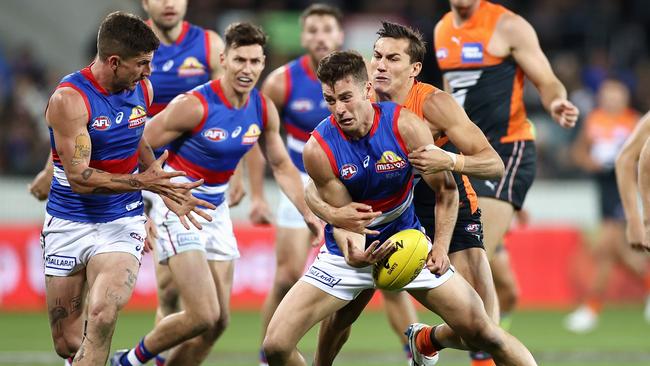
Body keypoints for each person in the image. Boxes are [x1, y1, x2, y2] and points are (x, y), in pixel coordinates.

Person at [262, 50, 537, 366]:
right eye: (330, 100)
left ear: (367, 90)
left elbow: (446, 191)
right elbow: (345, 215)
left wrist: (441, 248)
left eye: (346, 97)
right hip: (347, 254)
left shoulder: (404, 125)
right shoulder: (318, 148)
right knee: (276, 346)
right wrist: (352, 248)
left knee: (484, 332)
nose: (339, 109)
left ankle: (425, 341)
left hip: (408, 244)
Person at [110, 22, 323, 366]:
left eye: (255, 61)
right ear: (224, 58)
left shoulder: (262, 108)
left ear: (263, 62)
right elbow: (136, 144)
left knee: (217, 323)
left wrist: (309, 213)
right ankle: (129, 361)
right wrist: (147, 201)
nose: (248, 69)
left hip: (217, 210)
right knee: (202, 314)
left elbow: (283, 166)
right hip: (180, 206)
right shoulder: (193, 105)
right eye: (240, 60)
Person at [304, 22, 505, 366]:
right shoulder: (356, 99)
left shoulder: (434, 104)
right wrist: (336, 217)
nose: (381, 65)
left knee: (484, 327)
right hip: (384, 207)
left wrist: (450, 158)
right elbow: (316, 180)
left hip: (442, 198)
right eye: (377, 56)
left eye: (393, 58)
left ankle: (427, 338)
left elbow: (494, 164)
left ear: (414, 69)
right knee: (342, 313)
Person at [41, 11, 213, 365]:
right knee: (68, 342)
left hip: (122, 220)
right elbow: (80, 178)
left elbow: (136, 139)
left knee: (103, 313)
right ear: (115, 62)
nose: (149, 72)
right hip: (68, 221)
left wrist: (164, 187)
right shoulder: (70, 100)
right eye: (143, 64)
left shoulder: (142, 89)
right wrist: (142, 181)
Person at [254, 5, 419, 364]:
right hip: (306, 176)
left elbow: (392, 121)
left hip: (366, 180)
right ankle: (269, 357)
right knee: (285, 275)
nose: (319, 37)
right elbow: (261, 135)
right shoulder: (281, 81)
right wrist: (255, 190)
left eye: (326, 29)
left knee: (385, 282)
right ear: (303, 37)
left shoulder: (364, 74)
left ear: (339, 34)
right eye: (312, 30)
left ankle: (413, 349)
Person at [434, 1, 579, 362]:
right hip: (465, 153)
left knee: (473, 274)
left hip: (506, 152)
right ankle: (430, 339)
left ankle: (470, 352)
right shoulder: (441, 30)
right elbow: (453, 98)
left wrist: (557, 101)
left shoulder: (508, 26)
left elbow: (546, 80)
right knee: (503, 286)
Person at [565, 80, 650, 333]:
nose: (612, 100)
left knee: (606, 246)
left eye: (617, 95)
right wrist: (589, 162)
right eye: (608, 95)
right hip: (602, 185)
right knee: (614, 250)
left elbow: (639, 158)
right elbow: (578, 152)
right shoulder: (594, 120)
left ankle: (592, 307)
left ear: (625, 98)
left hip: (623, 186)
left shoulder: (634, 120)